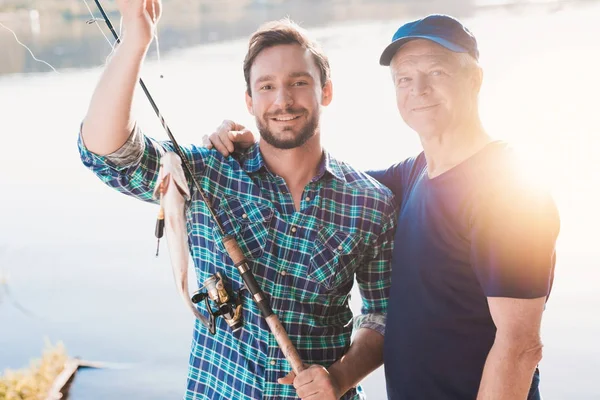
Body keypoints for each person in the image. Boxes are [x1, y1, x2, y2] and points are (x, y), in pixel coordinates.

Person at [204, 14, 561, 400]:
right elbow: (316, 179)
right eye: (404, 79)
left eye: (436, 72)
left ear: (474, 79)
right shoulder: (412, 176)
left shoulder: (507, 190)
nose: (418, 89)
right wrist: (248, 143)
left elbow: (521, 348)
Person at [77, 1, 397, 400]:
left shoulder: (370, 202)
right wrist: (134, 42)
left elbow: (384, 314)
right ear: (249, 101)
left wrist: (341, 377)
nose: (283, 100)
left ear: (325, 91)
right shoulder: (206, 171)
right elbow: (107, 155)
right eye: (266, 86)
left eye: (298, 82)